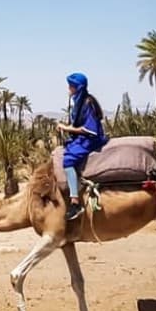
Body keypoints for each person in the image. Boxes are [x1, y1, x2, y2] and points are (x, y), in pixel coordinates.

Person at [56, 73, 108, 221]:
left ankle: (75, 203)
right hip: (82, 138)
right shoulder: (79, 102)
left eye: (71, 86)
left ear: (77, 87)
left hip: (90, 139)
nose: (69, 88)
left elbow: (90, 129)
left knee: (68, 161)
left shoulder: (87, 103)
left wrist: (67, 128)